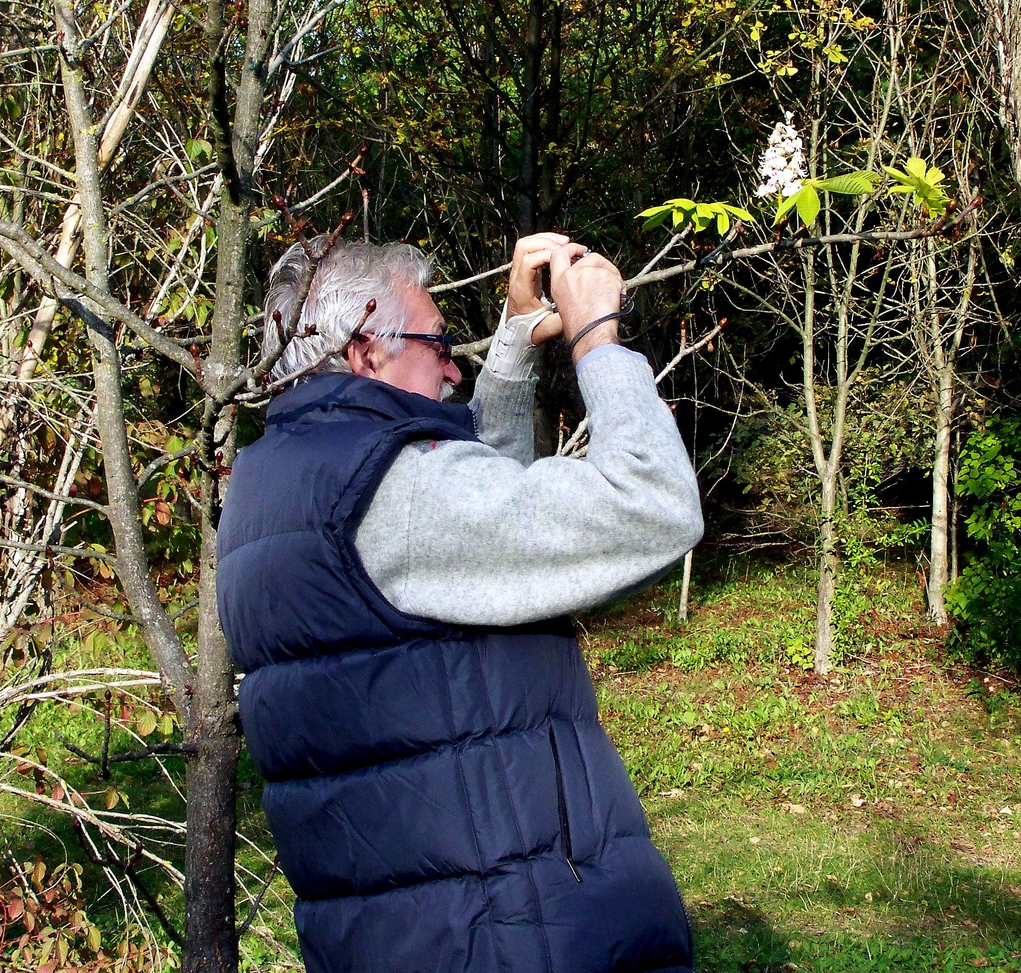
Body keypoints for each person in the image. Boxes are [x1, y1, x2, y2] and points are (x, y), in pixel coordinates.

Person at [216, 233, 704, 973]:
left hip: (411, 935)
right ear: (364, 353)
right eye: (436, 342)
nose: (452, 365)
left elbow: (477, 556)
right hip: (512, 936)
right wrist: (598, 340)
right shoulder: (392, 492)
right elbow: (654, 506)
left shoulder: (275, 488)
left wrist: (510, 347)